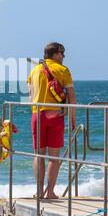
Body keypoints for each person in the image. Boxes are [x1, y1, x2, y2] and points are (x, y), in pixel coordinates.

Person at [28, 42, 76, 199]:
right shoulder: (63, 70)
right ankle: (50, 192)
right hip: (55, 115)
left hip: (37, 114)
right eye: (62, 53)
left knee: (39, 155)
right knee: (54, 157)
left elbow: (31, 96)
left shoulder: (35, 70)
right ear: (55, 54)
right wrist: (72, 117)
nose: (63, 57)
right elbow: (71, 96)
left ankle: (38, 192)